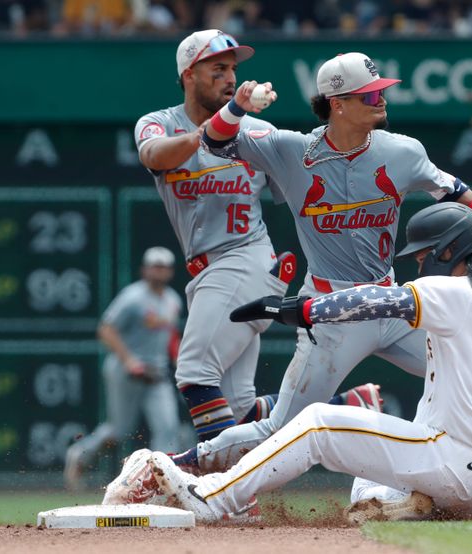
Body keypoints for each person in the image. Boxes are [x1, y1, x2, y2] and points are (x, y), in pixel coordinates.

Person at [154, 50, 472, 521]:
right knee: (283, 427)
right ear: (338, 103)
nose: (381, 99)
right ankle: (182, 465)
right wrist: (238, 107)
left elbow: (452, 190)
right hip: (331, 313)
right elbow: (214, 140)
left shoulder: (401, 151)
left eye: (381, 91)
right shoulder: (289, 149)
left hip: (394, 305)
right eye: (369, 94)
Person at [103, 204, 472, 524]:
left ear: (449, 251)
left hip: (452, 464)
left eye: (423, 255)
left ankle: (210, 498)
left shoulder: (455, 290)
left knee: (316, 424)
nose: (417, 264)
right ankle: (418, 504)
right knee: (370, 474)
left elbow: (381, 300)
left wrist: (304, 310)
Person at [133, 31, 382, 450]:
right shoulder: (159, 122)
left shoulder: (257, 131)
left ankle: (217, 482)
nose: (231, 78)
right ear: (189, 74)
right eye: (218, 69)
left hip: (245, 260)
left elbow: (306, 192)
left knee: (194, 372)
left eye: (233, 69)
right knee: (241, 408)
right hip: (208, 274)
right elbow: (156, 156)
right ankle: (348, 405)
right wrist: (217, 127)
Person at [64, 247, 183, 491]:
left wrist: (180, 360)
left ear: (170, 271)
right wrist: (129, 360)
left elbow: (170, 336)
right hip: (126, 369)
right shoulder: (133, 297)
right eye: (154, 266)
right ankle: (81, 455)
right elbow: (106, 329)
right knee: (119, 430)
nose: (159, 271)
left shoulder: (173, 300)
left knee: (168, 427)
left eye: (163, 266)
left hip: (156, 373)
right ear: (145, 269)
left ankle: (158, 483)